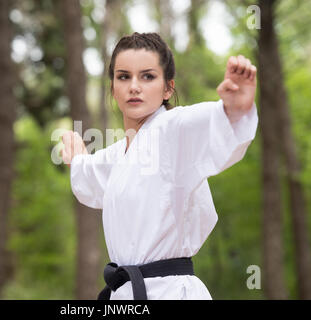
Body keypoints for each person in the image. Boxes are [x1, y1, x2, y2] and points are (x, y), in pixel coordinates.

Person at [61, 32, 258, 300]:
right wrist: (78, 160)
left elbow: (209, 123)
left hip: (170, 292)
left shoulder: (172, 130)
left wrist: (233, 109)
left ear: (168, 88)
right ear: (113, 87)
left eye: (147, 76)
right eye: (123, 76)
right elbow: (91, 178)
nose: (134, 86)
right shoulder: (119, 154)